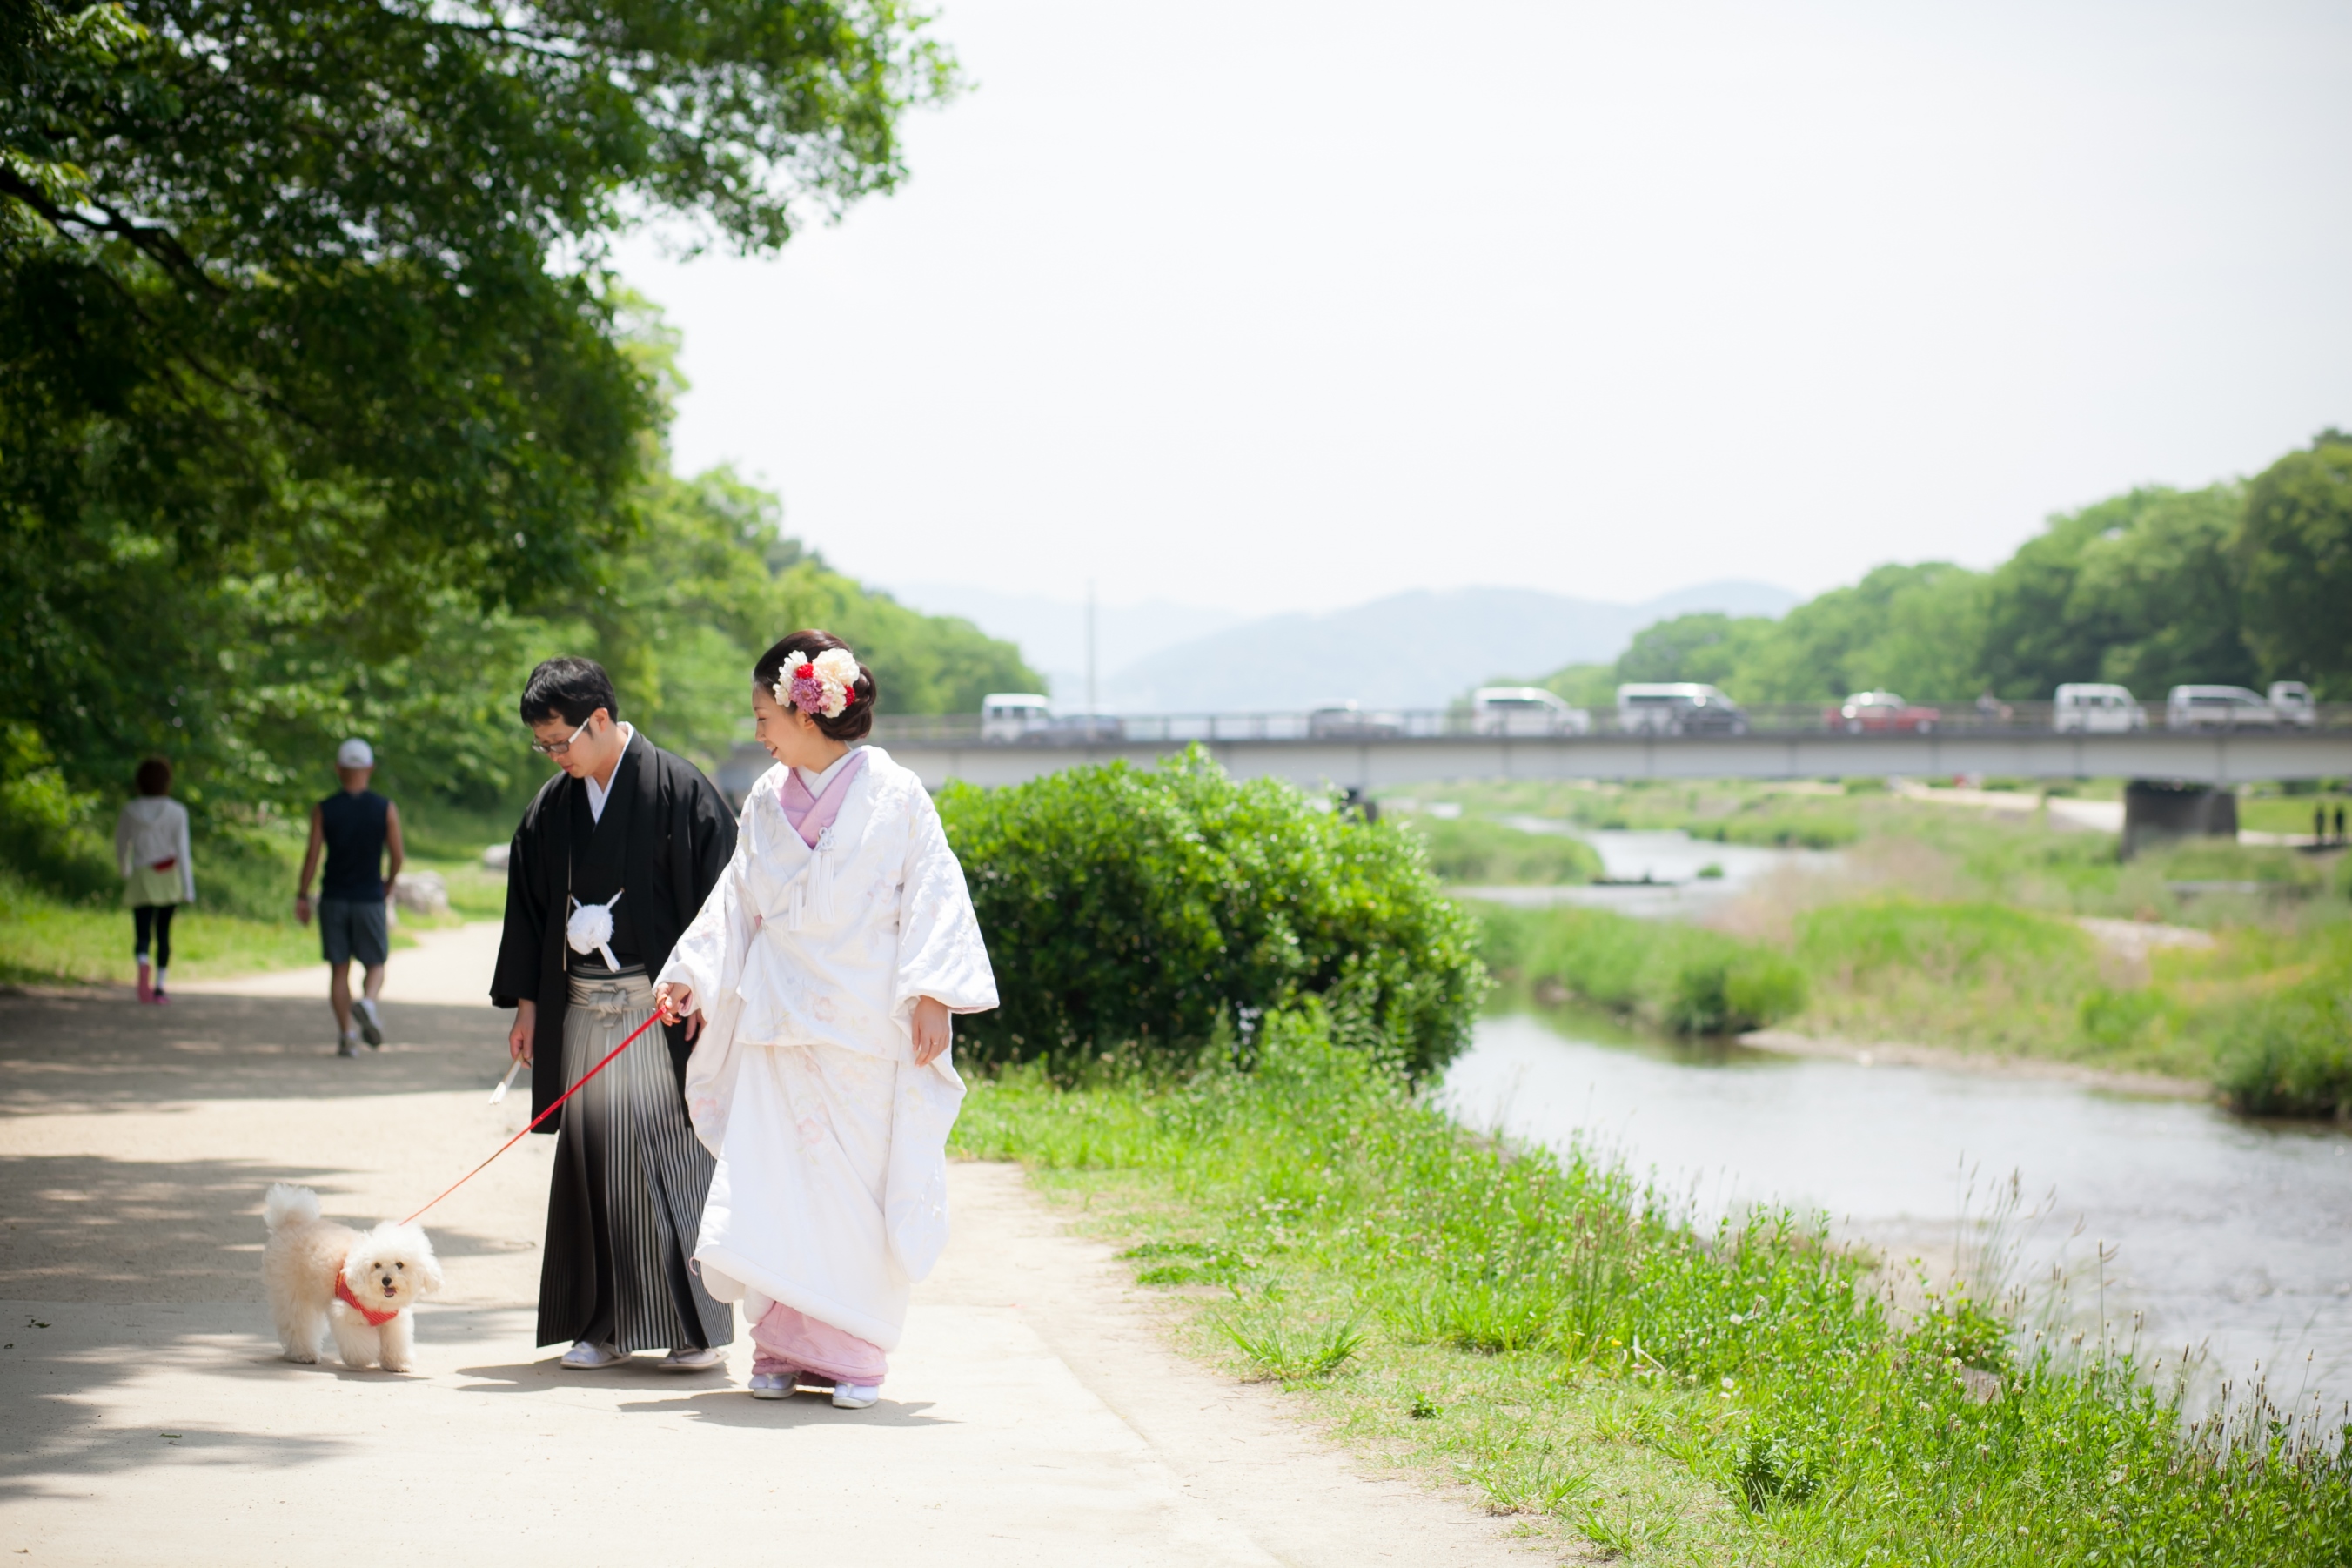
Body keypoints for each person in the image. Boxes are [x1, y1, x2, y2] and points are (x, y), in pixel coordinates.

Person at [656, 631, 997, 1410]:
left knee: (852, 1190)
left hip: (862, 1021)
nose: (757, 732)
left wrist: (935, 994)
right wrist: (692, 975)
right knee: (776, 1180)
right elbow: (734, 902)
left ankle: (852, 1355)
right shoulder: (764, 801)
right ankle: (777, 1349)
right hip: (779, 1023)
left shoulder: (898, 794)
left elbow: (934, 894)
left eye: (762, 716)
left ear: (806, 714)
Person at [491, 657, 738, 1372]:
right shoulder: (553, 808)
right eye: (544, 746)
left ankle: (695, 1328)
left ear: (600, 720)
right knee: (593, 1165)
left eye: (560, 741)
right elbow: (530, 912)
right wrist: (530, 1009)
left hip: (660, 1010)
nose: (554, 756)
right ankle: (601, 1325)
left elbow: (725, 902)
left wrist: (706, 988)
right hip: (583, 1013)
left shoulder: (679, 789)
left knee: (676, 1158)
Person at [295, 738, 404, 1057]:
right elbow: (397, 855)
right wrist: (389, 882)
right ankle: (368, 1003)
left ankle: (346, 1035)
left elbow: (312, 856)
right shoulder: (385, 808)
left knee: (339, 969)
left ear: (339, 769)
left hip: (334, 897)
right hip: (369, 896)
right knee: (376, 963)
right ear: (369, 768)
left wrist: (302, 894)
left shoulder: (324, 808)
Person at [116, 756, 194, 1005]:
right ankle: (160, 986)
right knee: (163, 932)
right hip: (167, 875)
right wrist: (188, 887)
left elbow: (121, 843)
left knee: (141, 931)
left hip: (141, 873)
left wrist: (124, 868)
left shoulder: (130, 810)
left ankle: (142, 965)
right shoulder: (176, 811)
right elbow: (183, 850)